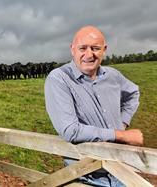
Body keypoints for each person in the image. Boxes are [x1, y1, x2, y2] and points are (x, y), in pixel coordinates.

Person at [44, 25, 143, 186]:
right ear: (72, 49)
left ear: (104, 50)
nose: (89, 54)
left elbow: (133, 93)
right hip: (86, 174)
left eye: (95, 48)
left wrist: (123, 122)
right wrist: (121, 135)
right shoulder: (59, 79)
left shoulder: (113, 75)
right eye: (82, 48)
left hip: (122, 169)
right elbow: (71, 130)